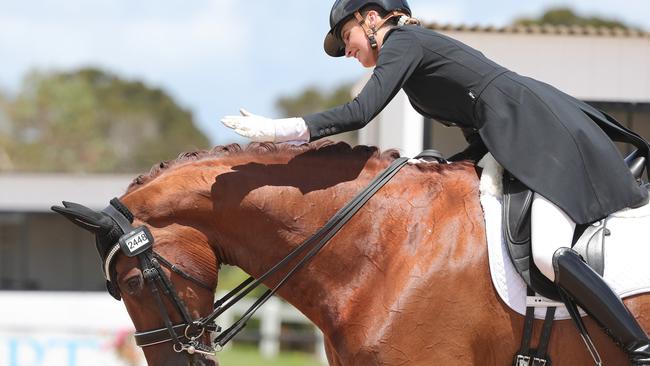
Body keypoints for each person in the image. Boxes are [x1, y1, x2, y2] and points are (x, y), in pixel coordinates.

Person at [220, 0, 650, 363]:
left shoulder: (404, 42)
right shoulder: (414, 58)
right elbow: (477, 135)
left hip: (538, 132)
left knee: (546, 251)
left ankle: (638, 347)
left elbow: (360, 112)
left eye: (345, 35)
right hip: (513, 137)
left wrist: (281, 130)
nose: (346, 50)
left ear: (372, 18)